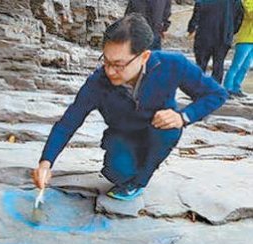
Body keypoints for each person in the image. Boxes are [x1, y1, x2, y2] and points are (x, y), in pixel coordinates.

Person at [32, 14, 227, 201]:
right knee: (116, 172)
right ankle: (129, 169)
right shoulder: (98, 82)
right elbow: (68, 123)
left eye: (118, 65)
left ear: (144, 56)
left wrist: (184, 116)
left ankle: (141, 179)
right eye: (106, 61)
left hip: (157, 130)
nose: (109, 71)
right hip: (122, 135)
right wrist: (46, 163)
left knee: (169, 129)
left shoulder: (172, 65)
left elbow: (216, 94)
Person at [187, 0, 244, 84]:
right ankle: (215, 91)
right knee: (218, 65)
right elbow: (239, 17)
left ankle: (197, 89)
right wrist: (231, 31)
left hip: (204, 36)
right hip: (224, 36)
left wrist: (191, 28)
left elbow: (197, 14)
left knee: (200, 65)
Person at [224, 0, 253, 97]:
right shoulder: (247, 1)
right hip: (244, 38)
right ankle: (227, 88)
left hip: (252, 39)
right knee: (236, 65)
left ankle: (236, 88)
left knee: (245, 66)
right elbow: (250, 14)